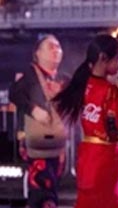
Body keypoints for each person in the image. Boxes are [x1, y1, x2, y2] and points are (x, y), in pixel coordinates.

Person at [53, 34, 118, 208]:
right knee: (110, 200)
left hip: (87, 154)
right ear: (103, 58)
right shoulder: (112, 92)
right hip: (106, 157)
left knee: (87, 200)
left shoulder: (82, 84)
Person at [9, 35, 69, 208]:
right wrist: (33, 110)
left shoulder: (63, 79)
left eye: (58, 46)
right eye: (51, 46)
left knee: (53, 190)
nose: (56, 50)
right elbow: (14, 93)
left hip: (58, 147)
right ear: (38, 53)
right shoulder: (29, 77)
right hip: (37, 148)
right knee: (42, 192)